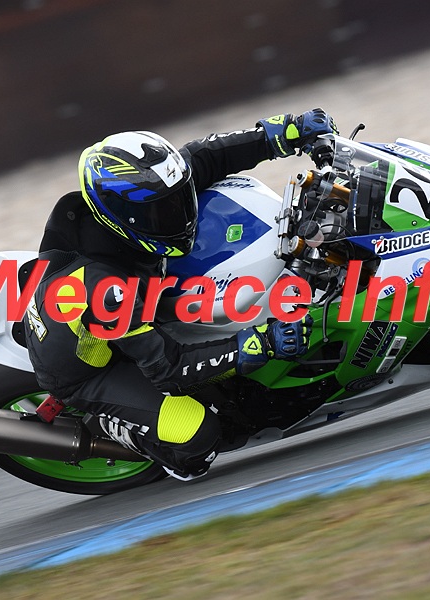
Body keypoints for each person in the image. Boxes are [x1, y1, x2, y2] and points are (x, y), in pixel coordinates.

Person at [23, 109, 337, 480]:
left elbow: (207, 156)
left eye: (178, 200)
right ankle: (117, 428)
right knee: (198, 440)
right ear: (122, 217)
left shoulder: (145, 196)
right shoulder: (105, 290)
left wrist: (285, 131)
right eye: (161, 212)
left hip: (136, 302)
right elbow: (167, 369)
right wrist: (259, 343)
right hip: (93, 370)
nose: (179, 214)